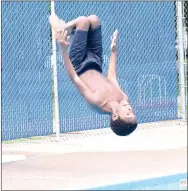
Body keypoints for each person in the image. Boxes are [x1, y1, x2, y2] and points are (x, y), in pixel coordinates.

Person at [49, 13, 138, 136]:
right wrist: (113, 51)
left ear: (115, 116)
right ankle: (67, 30)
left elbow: (74, 78)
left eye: (127, 114)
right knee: (94, 19)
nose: (130, 109)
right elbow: (112, 77)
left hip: (78, 64)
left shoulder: (97, 102)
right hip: (95, 61)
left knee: (83, 22)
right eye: (133, 112)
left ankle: (61, 30)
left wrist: (63, 50)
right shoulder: (123, 97)